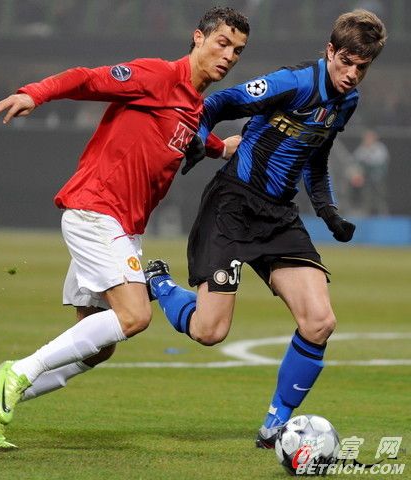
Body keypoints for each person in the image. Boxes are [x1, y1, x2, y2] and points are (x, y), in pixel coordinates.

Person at [0, 7, 249, 449]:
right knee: (135, 316)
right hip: (96, 211)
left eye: (237, 50)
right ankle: (17, 372)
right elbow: (87, 78)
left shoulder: (193, 106)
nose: (228, 55)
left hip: (123, 227)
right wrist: (35, 94)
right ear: (198, 38)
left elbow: (188, 134)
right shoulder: (156, 75)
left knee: (98, 347)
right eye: (222, 43)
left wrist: (221, 148)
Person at [145, 9, 386, 449]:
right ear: (330, 51)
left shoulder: (346, 102)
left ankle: (275, 426)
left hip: (278, 216)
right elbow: (217, 103)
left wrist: (328, 211)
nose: (352, 74)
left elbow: (317, 157)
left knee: (319, 322)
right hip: (233, 205)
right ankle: (159, 283)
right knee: (209, 332)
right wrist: (199, 138)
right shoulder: (293, 83)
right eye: (346, 62)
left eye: (362, 67)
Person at [353, 129, 390, 215]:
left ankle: (383, 213)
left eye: (370, 138)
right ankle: (366, 213)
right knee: (366, 195)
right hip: (366, 178)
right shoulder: (362, 149)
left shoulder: (380, 148)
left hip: (378, 177)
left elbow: (380, 162)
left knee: (379, 196)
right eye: (366, 138)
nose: (368, 140)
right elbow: (356, 160)